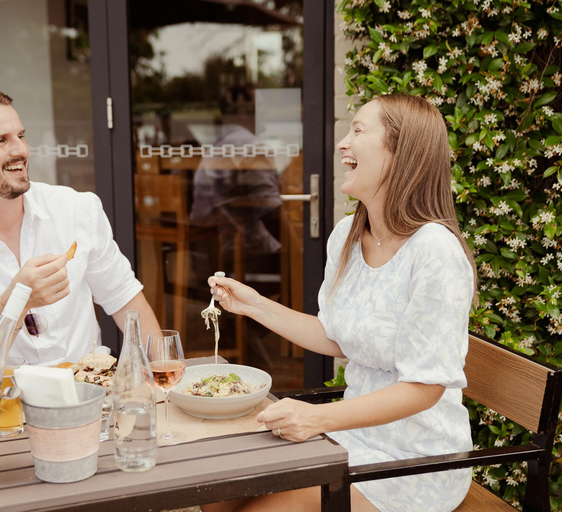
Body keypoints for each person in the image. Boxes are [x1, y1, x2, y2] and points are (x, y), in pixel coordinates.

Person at [204, 94, 476, 512]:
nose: (342, 143)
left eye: (359, 130)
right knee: (217, 494)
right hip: (350, 434)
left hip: (416, 459)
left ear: (401, 151)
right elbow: (336, 336)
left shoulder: (435, 252)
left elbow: (425, 387)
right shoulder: (348, 234)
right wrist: (254, 305)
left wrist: (318, 419)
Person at [0, 87, 160, 373]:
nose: (21, 150)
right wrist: (15, 303)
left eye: (21, 136)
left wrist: (165, 383)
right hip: (0, 405)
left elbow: (125, 300)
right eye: (1, 141)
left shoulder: (75, 208)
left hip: (88, 395)